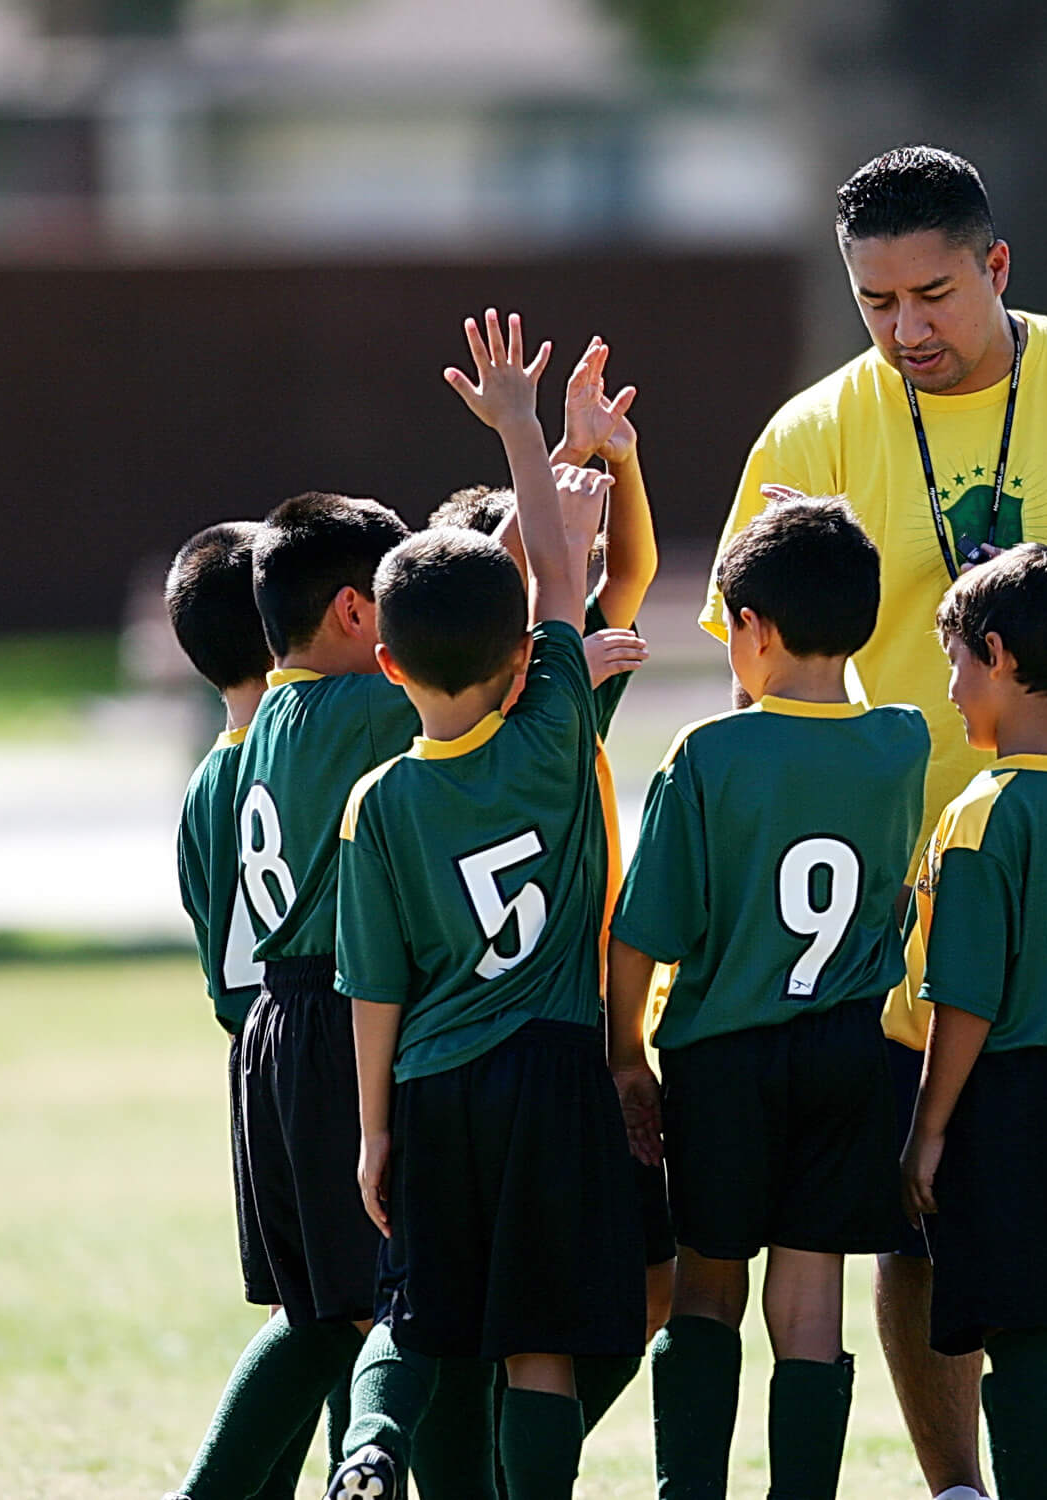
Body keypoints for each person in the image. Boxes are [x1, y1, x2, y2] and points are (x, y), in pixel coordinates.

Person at [704, 144, 1047, 1500]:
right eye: (875, 303)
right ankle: (956, 1486)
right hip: (904, 906)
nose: (906, 332)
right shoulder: (809, 432)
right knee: (916, 1219)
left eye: (934, 296)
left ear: (997, 267)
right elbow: (752, 655)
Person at [323, 308, 646, 1500]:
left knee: (415, 1315)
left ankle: (369, 1450)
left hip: (437, 1083)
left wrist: (372, 1127)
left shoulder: (378, 802)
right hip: (554, 1075)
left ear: (389, 665)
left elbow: (377, 984)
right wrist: (527, 433)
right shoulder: (557, 727)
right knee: (542, 1341)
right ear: (521, 656)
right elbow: (566, 573)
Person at [607, 495, 929, 1500]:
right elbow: (842, 713)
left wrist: (624, 1054)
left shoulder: (707, 755)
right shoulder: (904, 742)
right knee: (811, 1293)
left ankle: (690, 1489)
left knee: (708, 1281)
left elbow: (642, 932)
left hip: (724, 1057)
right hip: (848, 1055)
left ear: (748, 628)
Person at [427, 335, 678, 1416]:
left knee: (641, 1286)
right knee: (527, 1309)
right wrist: (546, 448)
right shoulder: (528, 716)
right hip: (541, 1045)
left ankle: (528, 1450)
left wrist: (603, 459)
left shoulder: (566, 693)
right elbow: (581, 586)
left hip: (570, 1039)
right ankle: (508, 1452)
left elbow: (629, 575)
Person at [899, 542, 1047, 1500]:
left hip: (1006, 1095)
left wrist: (928, 1129)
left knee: (1018, 1334)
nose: (952, 691)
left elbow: (967, 999)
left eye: (956, 663)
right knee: (1045, 1330)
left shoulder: (984, 812)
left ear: (995, 655)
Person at [166, 521, 347, 1499]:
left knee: (312, 1312)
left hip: (257, 1057)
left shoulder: (205, 783)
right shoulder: (304, 752)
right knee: (342, 1314)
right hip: (325, 1050)